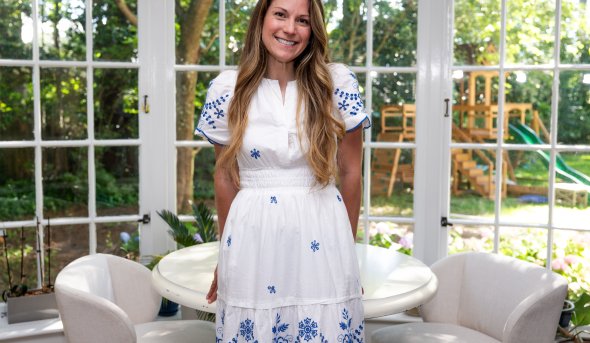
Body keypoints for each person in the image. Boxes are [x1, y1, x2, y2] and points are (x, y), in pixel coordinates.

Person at [195, 0, 370, 341]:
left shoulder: (336, 83)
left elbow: (350, 173)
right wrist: (225, 254)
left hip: (323, 232)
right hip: (251, 238)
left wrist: (345, 253)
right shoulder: (227, 90)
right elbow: (226, 176)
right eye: (280, 14)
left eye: (302, 20)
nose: (290, 28)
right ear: (261, 19)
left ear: (313, 30)